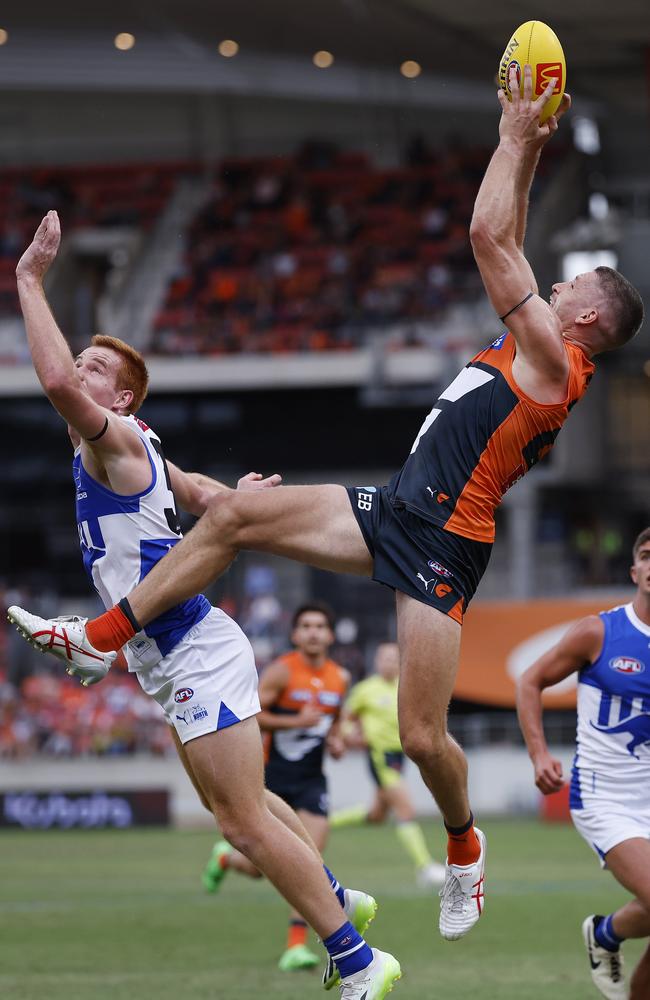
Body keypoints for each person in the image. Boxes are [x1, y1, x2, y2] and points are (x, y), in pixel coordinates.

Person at [11, 67, 645, 943]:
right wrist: (528, 148)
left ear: (581, 323)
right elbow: (513, 238)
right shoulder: (539, 338)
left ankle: (465, 847)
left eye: (569, 290)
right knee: (231, 514)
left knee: (425, 740)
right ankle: (100, 638)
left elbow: (489, 235)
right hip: (394, 505)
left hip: (443, 541)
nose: (555, 287)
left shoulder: (552, 357)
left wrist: (515, 135)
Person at [7, 212, 401, 1000]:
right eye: (81, 362)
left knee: (241, 824)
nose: (75, 372)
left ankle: (358, 959)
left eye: (93, 367)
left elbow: (50, 381)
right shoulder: (141, 443)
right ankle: (335, 891)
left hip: (189, 643)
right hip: (169, 650)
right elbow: (200, 494)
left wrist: (28, 280)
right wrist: (242, 501)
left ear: (119, 395)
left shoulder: (112, 438)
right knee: (248, 806)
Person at [516, 527, 650, 1000]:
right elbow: (530, 680)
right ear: (634, 570)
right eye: (648, 556)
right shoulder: (600, 632)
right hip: (605, 797)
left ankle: (606, 934)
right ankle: (608, 936)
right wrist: (539, 754)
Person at [203, 602, 354, 976]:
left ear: (331, 635)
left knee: (311, 859)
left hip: (312, 782)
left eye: (320, 626)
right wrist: (295, 722)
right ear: (295, 634)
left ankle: (296, 947)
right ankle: (227, 859)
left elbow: (334, 724)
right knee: (260, 868)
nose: (314, 632)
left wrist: (336, 742)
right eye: (306, 626)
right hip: (272, 780)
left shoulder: (341, 678)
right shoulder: (283, 672)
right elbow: (251, 716)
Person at [332, 642, 446, 889]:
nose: (390, 663)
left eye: (395, 659)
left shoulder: (406, 688)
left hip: (401, 755)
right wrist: (349, 735)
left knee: (376, 815)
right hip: (381, 756)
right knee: (405, 810)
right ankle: (424, 866)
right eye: (385, 658)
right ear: (377, 662)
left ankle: (323, 822)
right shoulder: (366, 690)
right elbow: (345, 719)